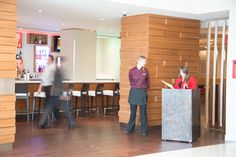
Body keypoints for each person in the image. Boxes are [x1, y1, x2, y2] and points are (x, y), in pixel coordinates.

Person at [125, 56, 150, 136]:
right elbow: (130, 80)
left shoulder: (146, 71)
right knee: (133, 112)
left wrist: (145, 89)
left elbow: (148, 82)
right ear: (139, 61)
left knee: (143, 113)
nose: (145, 63)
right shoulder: (132, 71)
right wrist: (136, 87)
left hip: (142, 93)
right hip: (134, 92)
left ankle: (144, 130)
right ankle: (130, 129)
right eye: (144, 61)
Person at [38, 54, 60, 128]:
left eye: (48, 59)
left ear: (51, 60)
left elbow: (54, 79)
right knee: (50, 105)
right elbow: (44, 79)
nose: (47, 60)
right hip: (48, 88)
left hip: (50, 88)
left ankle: (43, 123)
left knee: (47, 105)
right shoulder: (48, 68)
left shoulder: (52, 67)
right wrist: (40, 88)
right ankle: (57, 117)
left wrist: (53, 89)